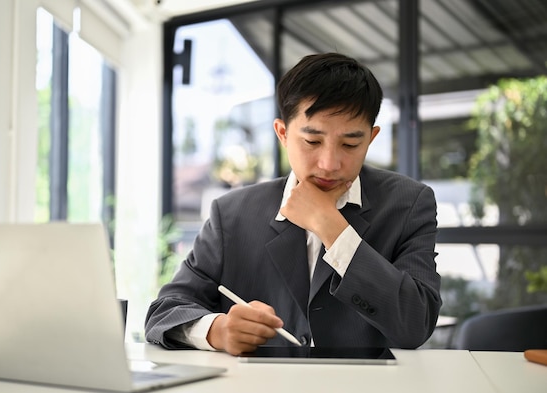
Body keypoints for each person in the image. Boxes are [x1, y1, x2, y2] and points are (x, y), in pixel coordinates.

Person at [145, 52, 441, 356]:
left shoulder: (408, 203)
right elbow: (163, 314)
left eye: (350, 144)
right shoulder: (232, 214)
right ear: (283, 134)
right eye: (312, 142)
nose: (329, 163)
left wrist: (334, 229)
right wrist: (215, 330)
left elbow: (414, 325)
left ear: (371, 138)